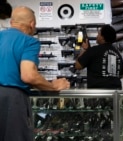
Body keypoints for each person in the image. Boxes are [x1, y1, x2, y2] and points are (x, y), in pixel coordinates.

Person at [0, 6, 70, 141]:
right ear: (32, 24)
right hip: (12, 100)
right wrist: (53, 86)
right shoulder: (29, 41)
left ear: (11, 22)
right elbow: (28, 75)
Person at [75, 24, 123, 89]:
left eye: (99, 34)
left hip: (98, 95)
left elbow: (78, 66)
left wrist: (84, 49)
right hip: (115, 94)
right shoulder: (117, 54)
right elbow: (121, 75)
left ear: (102, 37)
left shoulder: (94, 50)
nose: (97, 36)